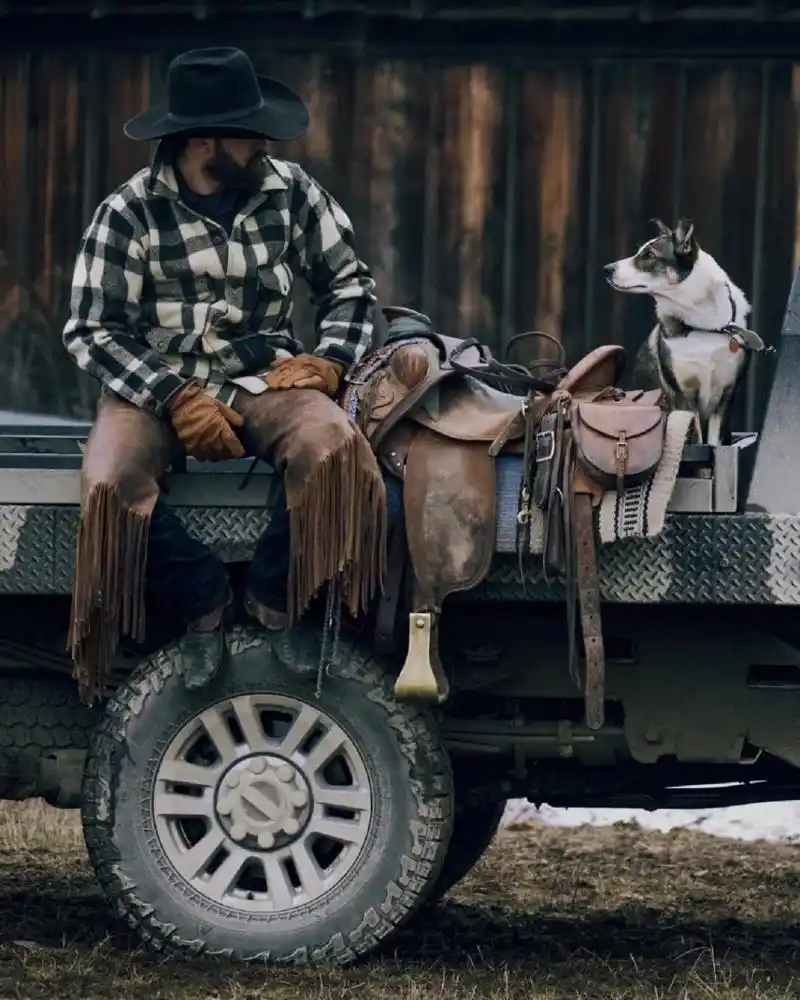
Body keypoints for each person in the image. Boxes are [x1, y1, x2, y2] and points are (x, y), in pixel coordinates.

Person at [62, 47, 386, 699]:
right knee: (108, 481)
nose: (264, 143)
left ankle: (271, 609)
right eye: (250, 133)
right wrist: (172, 394)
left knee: (335, 449)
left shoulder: (291, 191)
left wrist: (330, 360)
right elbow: (92, 328)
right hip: (154, 384)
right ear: (204, 142)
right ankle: (204, 611)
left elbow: (350, 284)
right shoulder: (127, 212)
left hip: (264, 373)